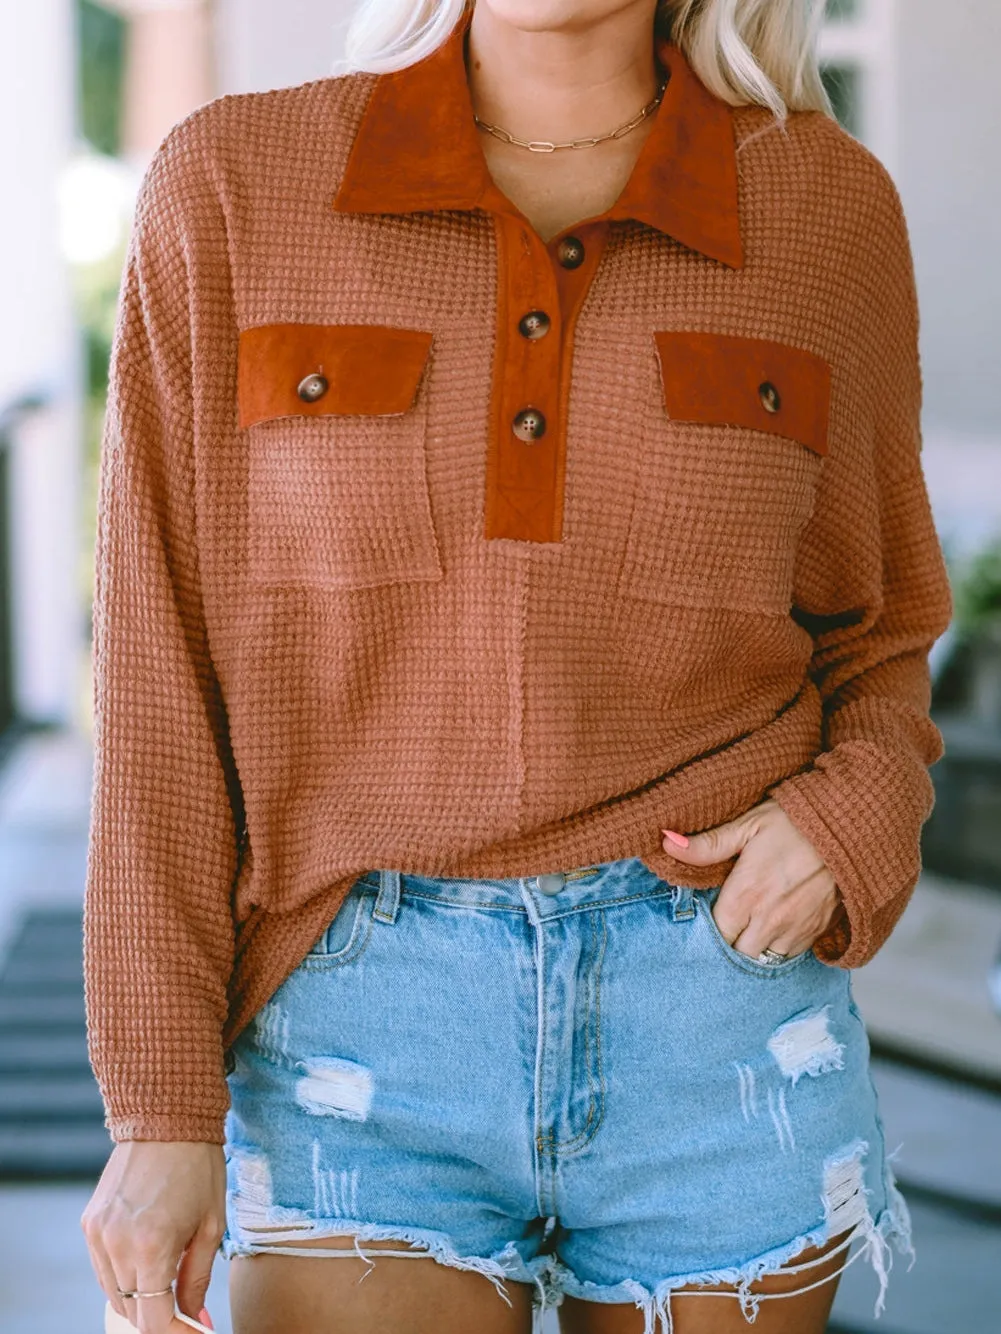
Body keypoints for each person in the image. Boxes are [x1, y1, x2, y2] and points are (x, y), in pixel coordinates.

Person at [79, 1, 953, 1331]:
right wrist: (158, 1100)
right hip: (353, 1025)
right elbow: (156, 679)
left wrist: (851, 818)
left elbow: (880, 636)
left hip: (716, 1013)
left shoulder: (827, 209)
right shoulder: (231, 188)